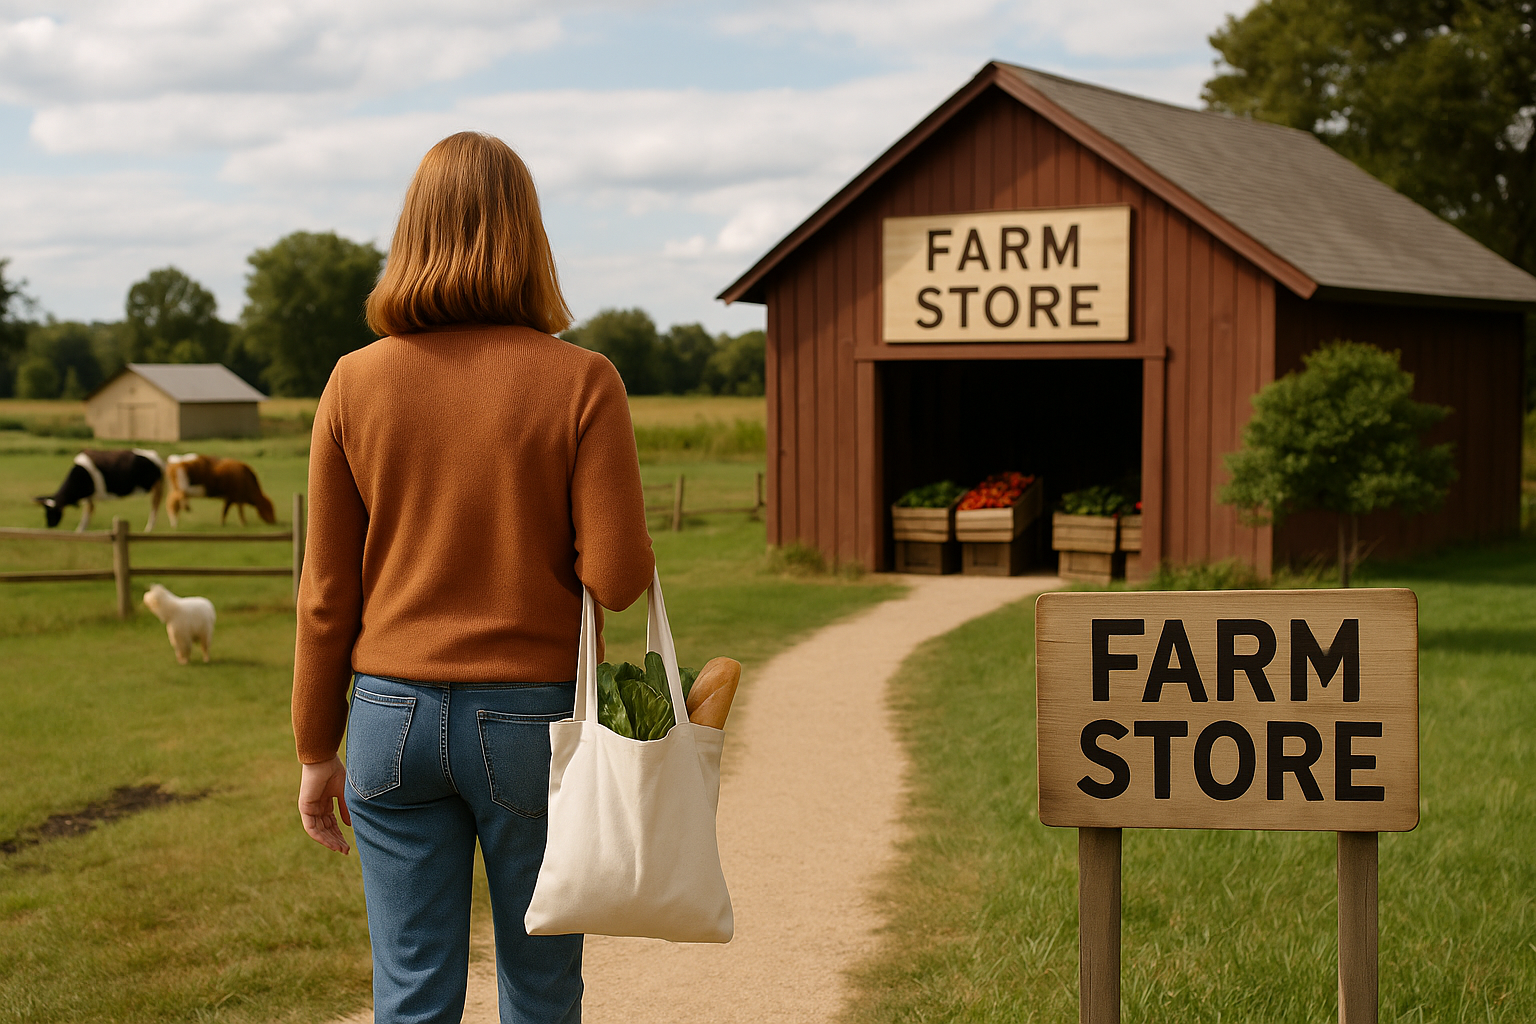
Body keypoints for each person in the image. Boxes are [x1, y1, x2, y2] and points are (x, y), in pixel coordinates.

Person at [292, 131, 655, 1024]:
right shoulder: (582, 380)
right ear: (529, 237)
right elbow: (617, 581)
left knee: (412, 991)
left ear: (411, 233)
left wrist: (313, 750)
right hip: (534, 725)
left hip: (385, 720)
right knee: (539, 991)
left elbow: (326, 595)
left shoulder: (352, 383)